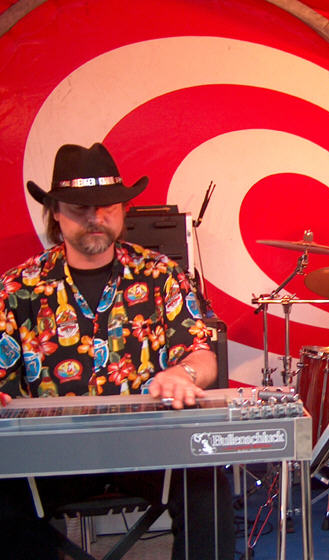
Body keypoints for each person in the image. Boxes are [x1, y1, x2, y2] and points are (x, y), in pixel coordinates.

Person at [0, 143, 234, 559]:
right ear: (55, 212)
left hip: (149, 448)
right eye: (80, 208)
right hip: (51, 455)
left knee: (207, 482)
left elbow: (202, 355)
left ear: (123, 210)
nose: (95, 217)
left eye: (107, 206)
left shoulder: (161, 275)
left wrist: (183, 374)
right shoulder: (18, 288)